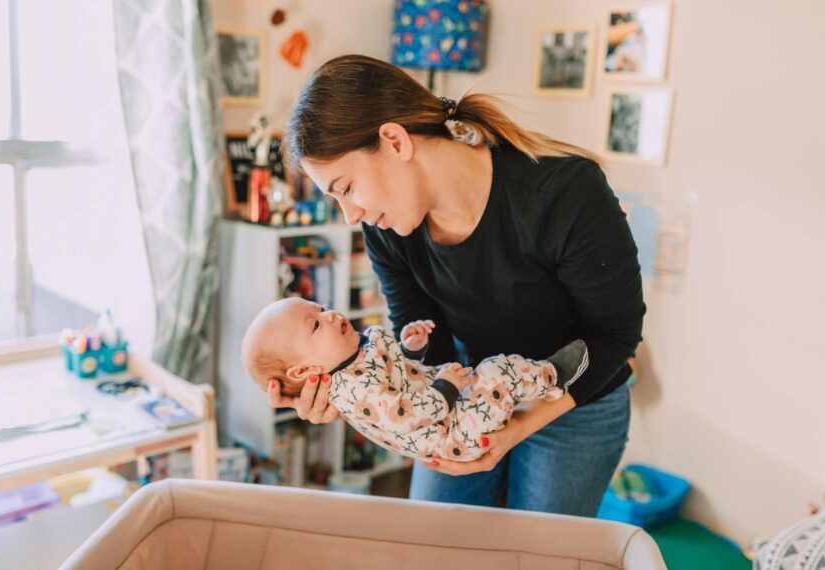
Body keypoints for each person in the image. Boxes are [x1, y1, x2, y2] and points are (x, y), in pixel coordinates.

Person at [267, 54, 645, 516]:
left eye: (346, 189)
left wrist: (516, 427)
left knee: (538, 555)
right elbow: (421, 332)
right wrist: (348, 384)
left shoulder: (564, 194)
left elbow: (616, 335)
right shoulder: (385, 229)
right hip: (465, 386)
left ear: (394, 141)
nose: (352, 215)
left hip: (576, 398)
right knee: (434, 543)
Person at [242, 297, 589, 462]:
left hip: (447, 407)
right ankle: (553, 375)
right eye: (316, 325)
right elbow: (403, 413)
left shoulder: (355, 355)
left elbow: (398, 380)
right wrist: (446, 387)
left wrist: (411, 350)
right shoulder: (352, 388)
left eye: (318, 307)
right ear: (305, 372)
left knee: (493, 374)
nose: (329, 315)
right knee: (497, 371)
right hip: (451, 433)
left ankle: (538, 380)